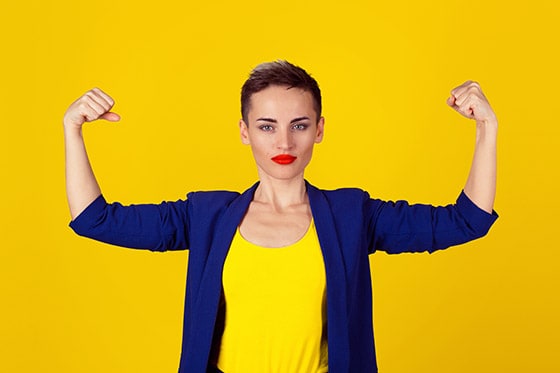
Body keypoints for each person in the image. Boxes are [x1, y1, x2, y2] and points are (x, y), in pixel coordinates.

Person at [63, 60, 498, 373]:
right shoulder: (208, 216)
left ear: (320, 129)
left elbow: (467, 221)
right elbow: (94, 219)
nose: (284, 140)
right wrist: (73, 129)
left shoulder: (351, 215)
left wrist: (486, 129)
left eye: (300, 124)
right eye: (267, 125)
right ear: (244, 131)